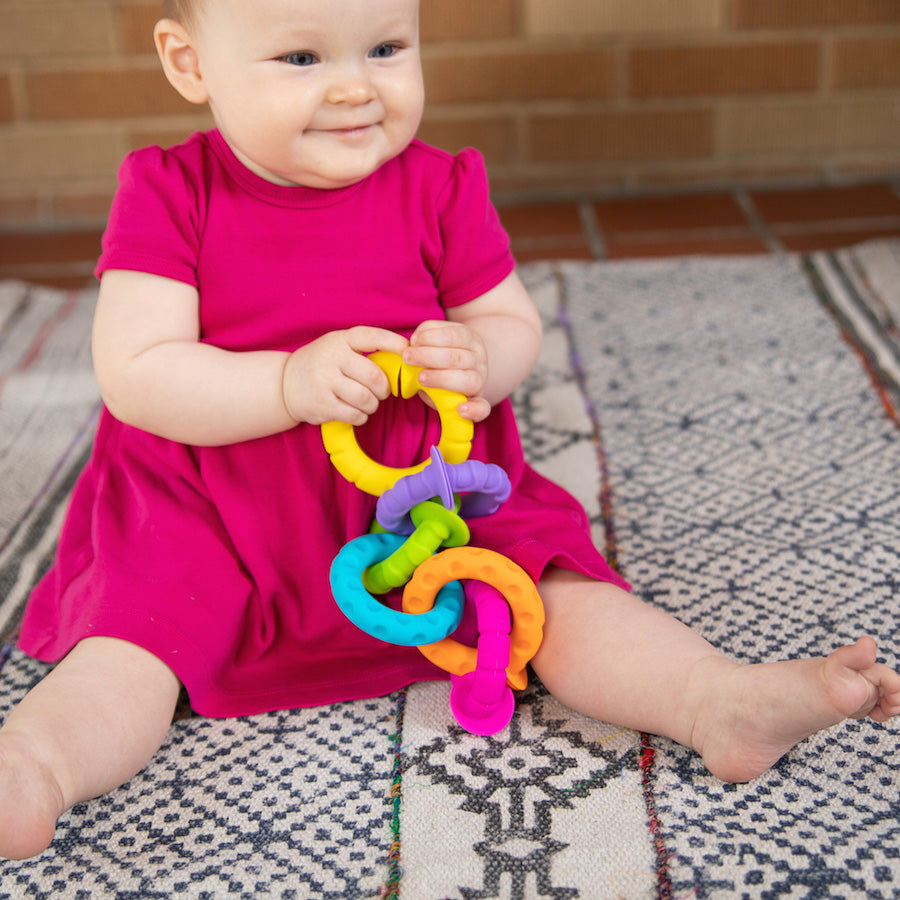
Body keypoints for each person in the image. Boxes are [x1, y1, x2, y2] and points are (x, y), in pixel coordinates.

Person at [1, 0, 898, 862]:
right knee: (137, 635)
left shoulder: (440, 184)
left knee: (549, 591)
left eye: (387, 48)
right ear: (189, 64)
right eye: (304, 58)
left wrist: (477, 356)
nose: (356, 88)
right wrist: (285, 381)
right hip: (215, 505)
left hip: (422, 497)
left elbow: (511, 327)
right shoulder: (169, 190)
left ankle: (715, 701)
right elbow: (137, 373)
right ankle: (36, 764)